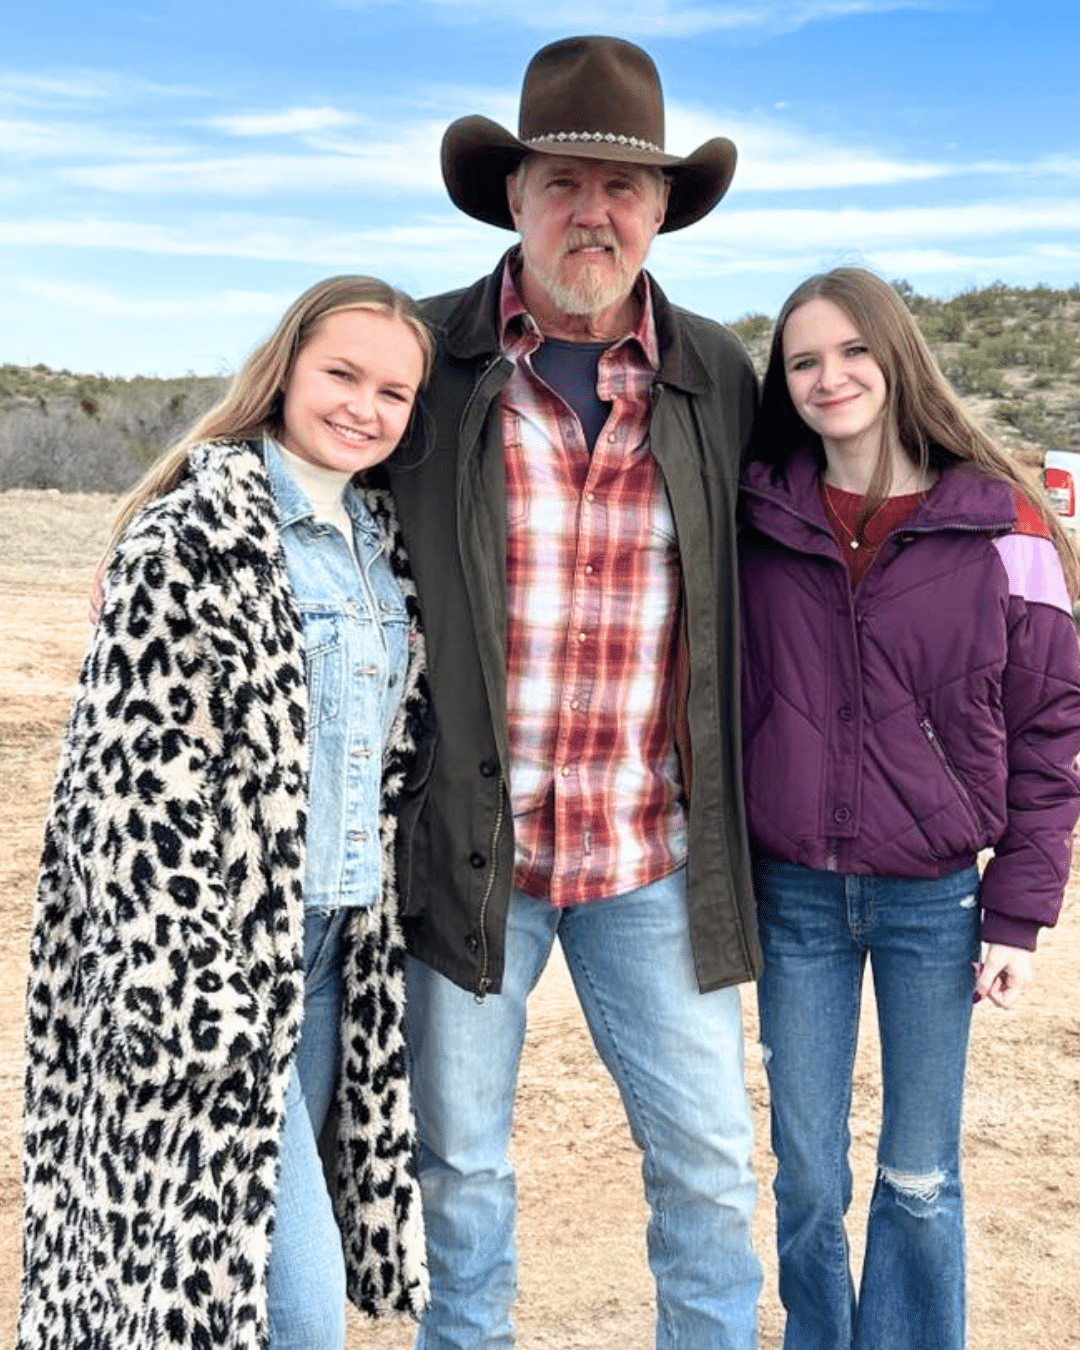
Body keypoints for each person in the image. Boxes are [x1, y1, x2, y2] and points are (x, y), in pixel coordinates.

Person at [385, 35, 763, 1350]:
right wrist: (157, 543)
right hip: (469, 851)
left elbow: (857, 469)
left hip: (655, 853)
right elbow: (276, 443)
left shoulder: (721, 376)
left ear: (662, 211)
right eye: (562, 181)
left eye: (624, 189)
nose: (592, 213)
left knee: (711, 1163)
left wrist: (1010, 532)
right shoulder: (416, 355)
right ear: (513, 196)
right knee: (465, 1166)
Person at [18, 276, 435, 1350]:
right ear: (285, 368)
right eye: (342, 373)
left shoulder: (382, 540)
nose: (363, 406)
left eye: (393, 391)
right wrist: (192, 994)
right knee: (290, 1306)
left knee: (227, 1296)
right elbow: (132, 789)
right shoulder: (192, 535)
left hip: (339, 956)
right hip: (217, 969)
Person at [738, 266, 1080, 1350]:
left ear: (897, 358)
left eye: (852, 352)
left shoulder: (1005, 524)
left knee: (921, 1174)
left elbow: (1050, 731)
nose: (830, 376)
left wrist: (1018, 915)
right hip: (793, 897)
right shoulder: (756, 516)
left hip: (935, 900)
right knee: (804, 1175)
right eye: (803, 360)